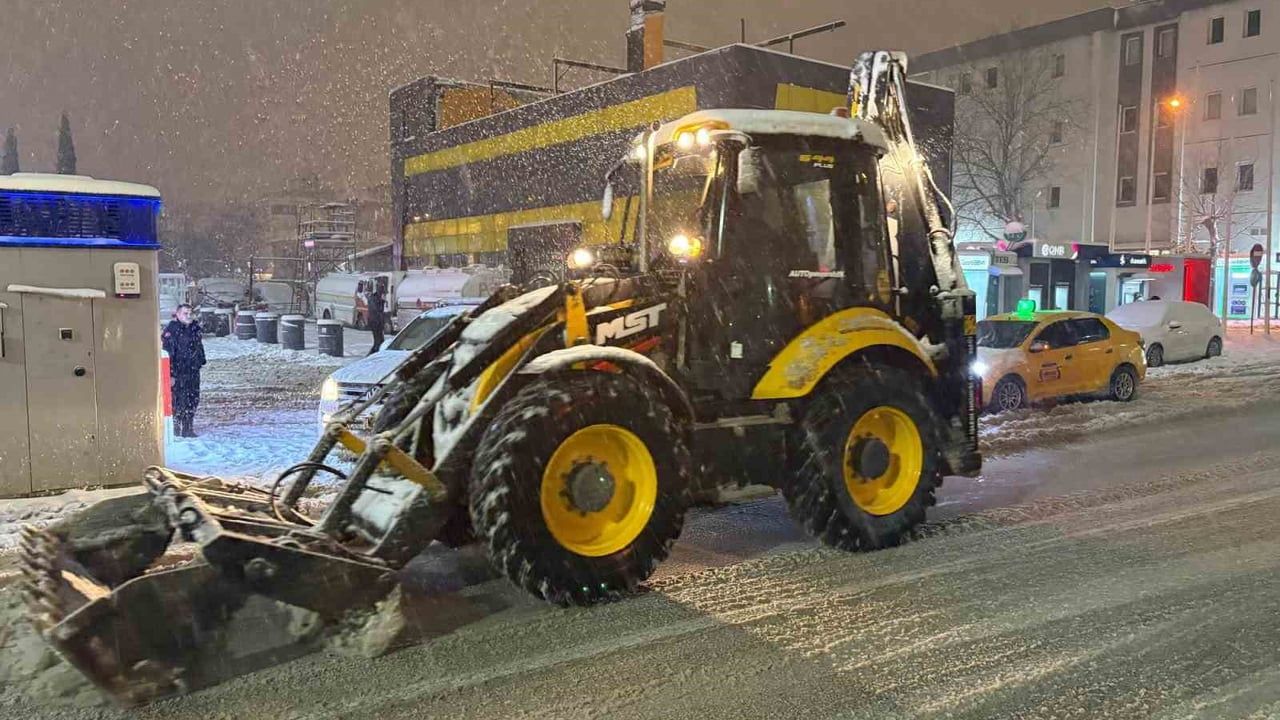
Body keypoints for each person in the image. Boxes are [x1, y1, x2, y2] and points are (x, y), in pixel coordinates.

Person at [162, 304, 207, 438]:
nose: (188, 316)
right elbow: (168, 354)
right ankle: (176, 428)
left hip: (192, 370)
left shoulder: (195, 329)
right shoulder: (172, 331)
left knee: (192, 398)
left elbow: (198, 347)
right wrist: (170, 374)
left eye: (190, 313)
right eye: (185, 313)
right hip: (178, 371)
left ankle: (188, 428)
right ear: (178, 314)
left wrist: (200, 360)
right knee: (178, 400)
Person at [366, 283, 387, 355]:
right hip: (375, 322)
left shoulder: (378, 299)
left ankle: (374, 354)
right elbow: (376, 310)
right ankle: (372, 355)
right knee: (378, 341)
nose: (383, 294)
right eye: (382, 291)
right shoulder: (373, 298)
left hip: (378, 323)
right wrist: (382, 302)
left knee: (380, 341)